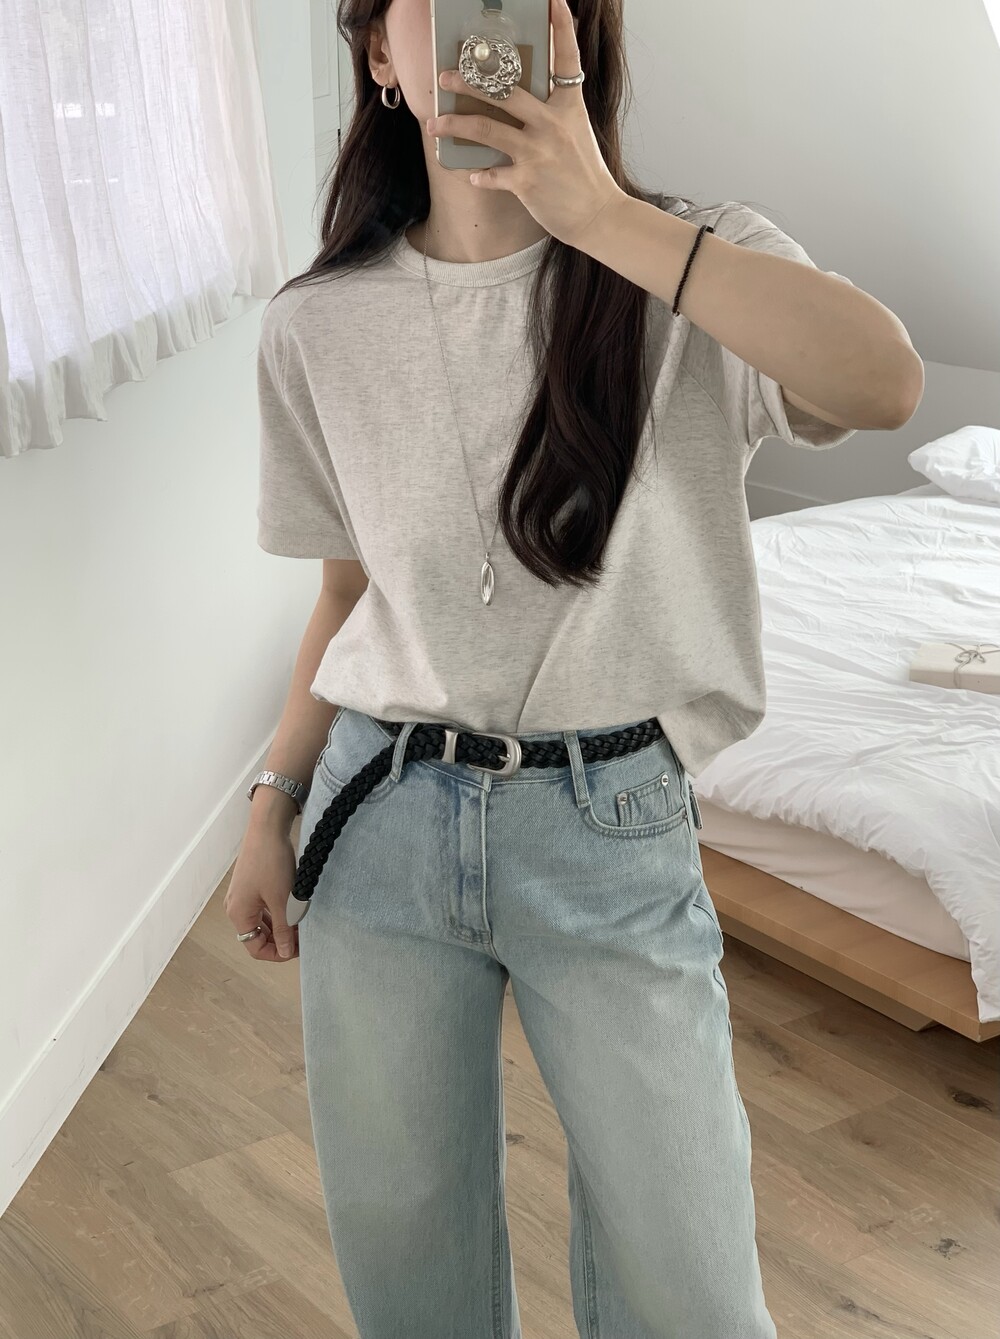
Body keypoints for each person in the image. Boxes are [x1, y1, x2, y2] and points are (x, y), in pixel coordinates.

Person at [226, 1, 921, 1335]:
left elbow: (884, 384)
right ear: (379, 54)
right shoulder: (315, 328)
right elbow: (346, 597)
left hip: (612, 828)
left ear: (572, 36)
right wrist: (272, 801)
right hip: (380, 820)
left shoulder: (693, 265)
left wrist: (599, 216)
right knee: (408, 1254)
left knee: (691, 1285)